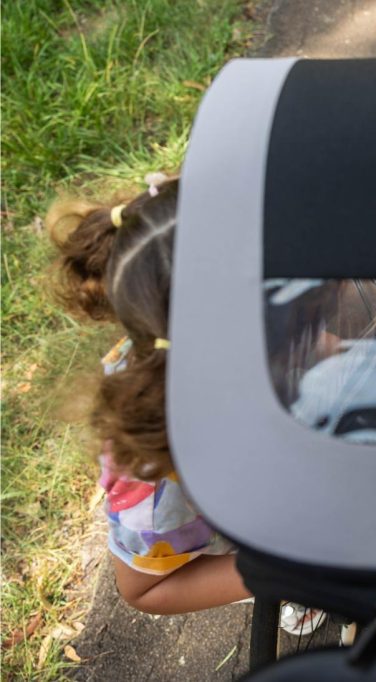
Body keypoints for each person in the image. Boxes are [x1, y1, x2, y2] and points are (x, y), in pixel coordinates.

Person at [48, 176, 323, 632]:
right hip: (261, 527)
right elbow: (145, 589)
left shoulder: (235, 326)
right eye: (301, 312)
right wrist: (282, 570)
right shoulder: (155, 472)